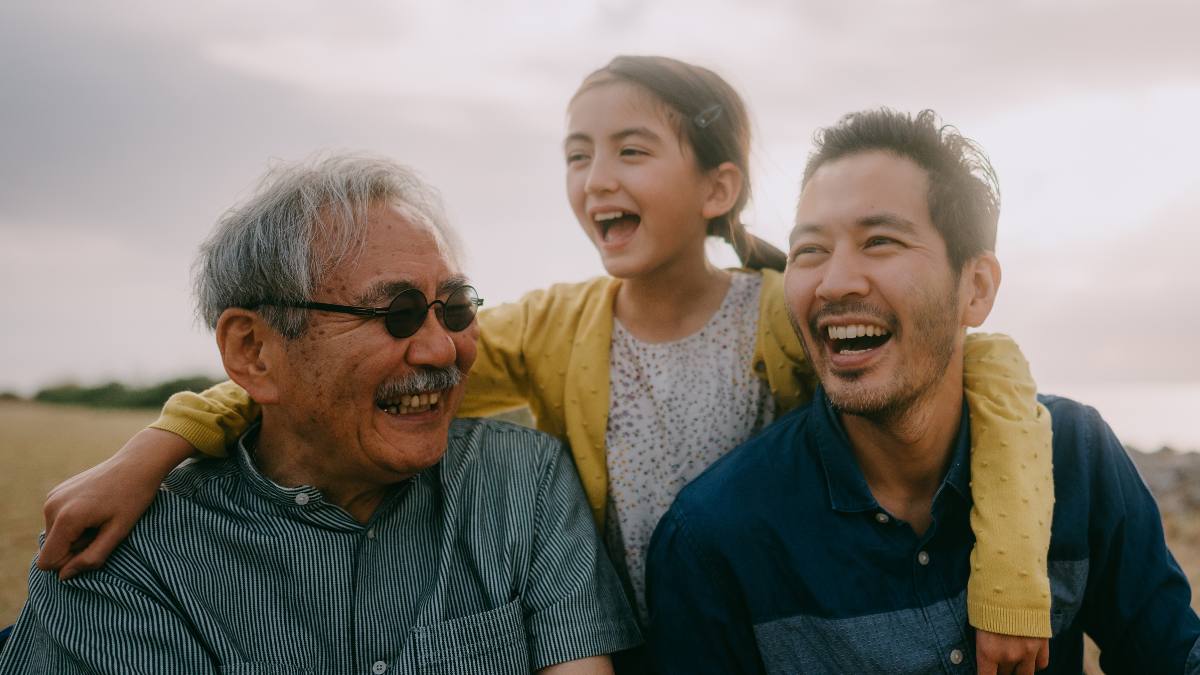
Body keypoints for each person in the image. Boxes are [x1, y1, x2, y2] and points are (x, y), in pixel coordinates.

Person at [38, 57, 1052, 667]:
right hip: (605, 648)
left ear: (719, 186)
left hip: (765, 643)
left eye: (631, 149)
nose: (596, 177)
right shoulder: (555, 327)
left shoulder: (786, 311)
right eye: (576, 153)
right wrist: (164, 442)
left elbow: (991, 372)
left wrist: (1010, 586)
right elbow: (352, 367)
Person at [1, 155, 640, 673]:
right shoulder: (123, 559)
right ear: (254, 351)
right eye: (395, 314)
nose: (442, 347)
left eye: (455, 307)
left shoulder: (521, 482)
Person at [645, 108, 1200, 674]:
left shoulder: (1075, 457)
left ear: (976, 288)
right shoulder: (714, 538)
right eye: (810, 250)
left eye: (880, 241)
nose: (835, 281)